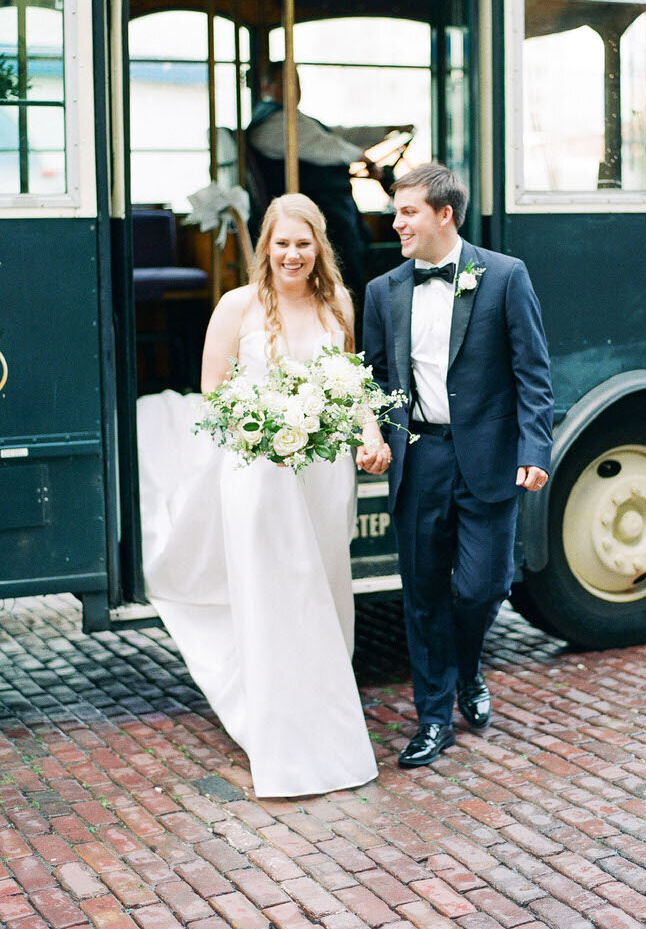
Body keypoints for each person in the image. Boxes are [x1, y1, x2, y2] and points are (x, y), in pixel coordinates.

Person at [136, 193, 378, 797]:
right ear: (265, 248)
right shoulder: (236, 306)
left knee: (323, 589)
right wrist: (263, 424)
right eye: (281, 243)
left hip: (322, 474)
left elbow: (351, 386)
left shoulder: (338, 303)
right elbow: (213, 390)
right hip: (256, 472)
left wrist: (368, 432)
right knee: (273, 595)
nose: (292, 254)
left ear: (319, 247)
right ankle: (280, 739)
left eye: (304, 243)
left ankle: (323, 715)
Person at [357, 163, 554, 768]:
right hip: (419, 460)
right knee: (421, 597)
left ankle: (467, 665)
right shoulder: (382, 291)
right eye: (396, 212)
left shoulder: (504, 277)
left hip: (490, 461)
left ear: (444, 214)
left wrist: (533, 451)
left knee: (482, 587)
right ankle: (434, 718)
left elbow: (533, 377)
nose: (396, 223)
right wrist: (376, 434)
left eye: (408, 211)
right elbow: (378, 379)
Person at [246, 62, 384, 315]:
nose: (295, 91)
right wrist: (361, 157)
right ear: (266, 87)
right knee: (347, 268)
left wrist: (385, 131)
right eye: (287, 84)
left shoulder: (294, 119)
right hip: (317, 212)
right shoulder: (274, 124)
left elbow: (337, 134)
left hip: (334, 207)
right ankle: (353, 318)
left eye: (297, 84)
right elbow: (324, 145)